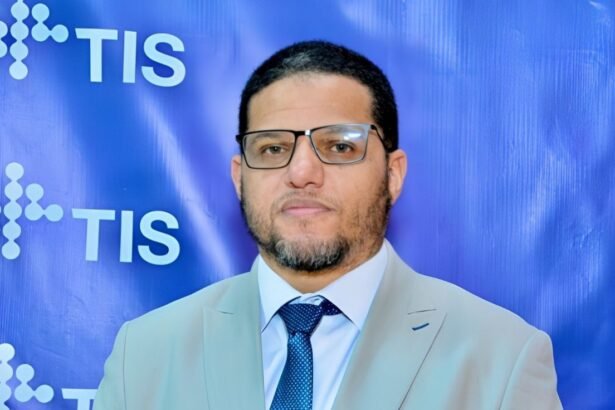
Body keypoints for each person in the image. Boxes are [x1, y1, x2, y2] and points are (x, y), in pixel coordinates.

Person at [93, 40, 562, 410]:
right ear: (240, 177)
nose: (301, 173)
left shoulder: (502, 358)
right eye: (273, 148)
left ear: (393, 174)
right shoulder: (146, 354)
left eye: (339, 146)